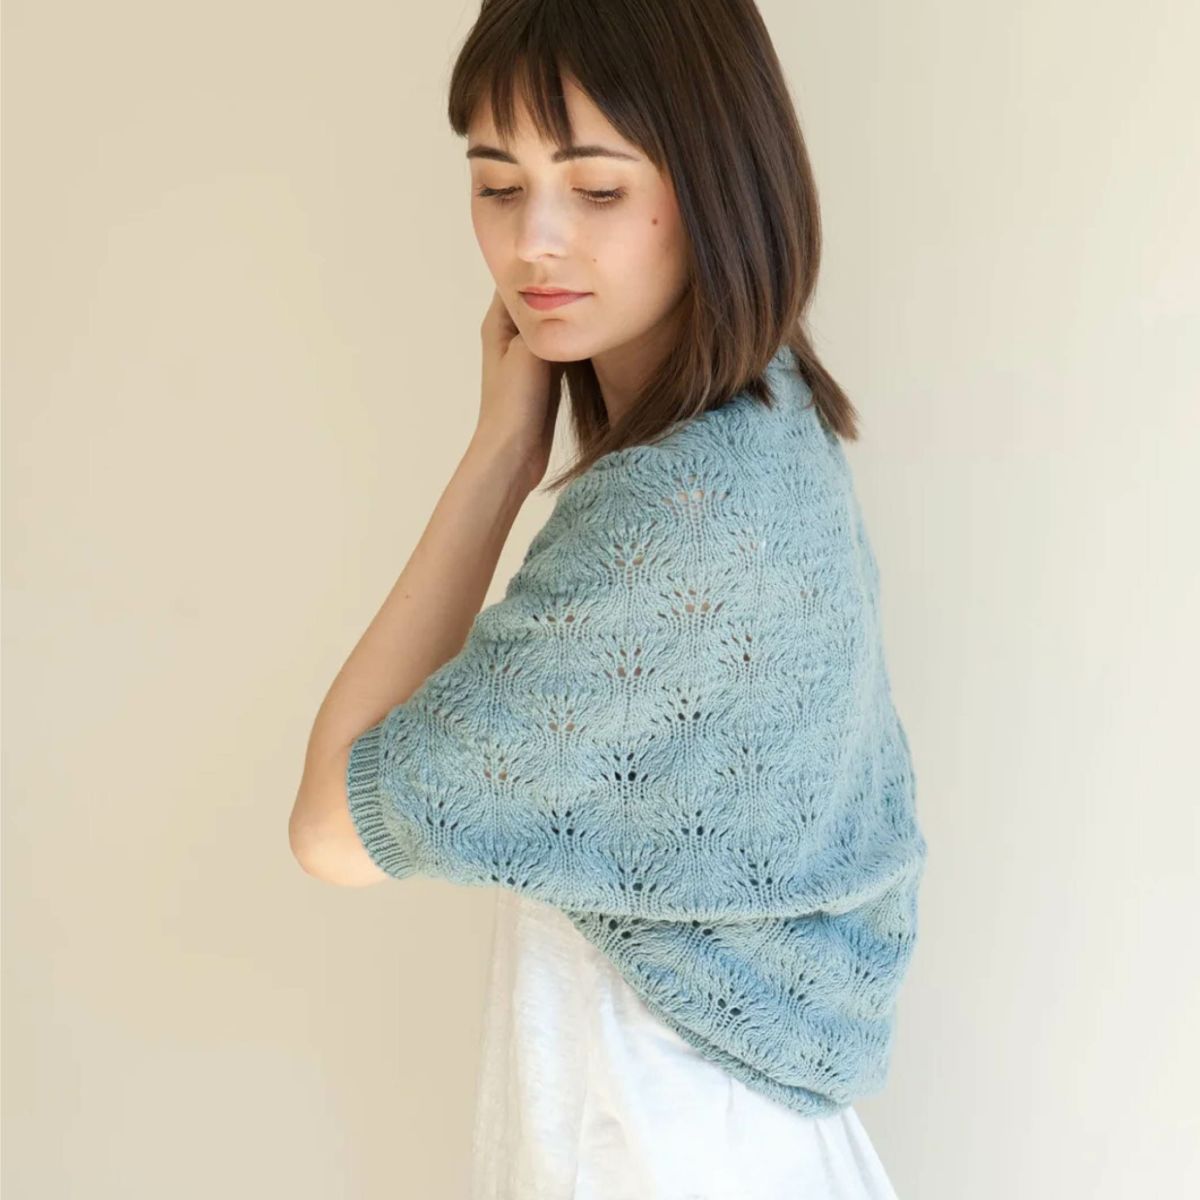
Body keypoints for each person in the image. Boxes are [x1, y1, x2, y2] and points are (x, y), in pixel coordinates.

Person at [290, 2, 927, 1197]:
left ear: (718, 184)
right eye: (496, 185)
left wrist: (496, 458)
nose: (534, 242)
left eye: (594, 189)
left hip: (662, 1143)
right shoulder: (767, 421)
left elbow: (332, 828)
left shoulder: (675, 518)